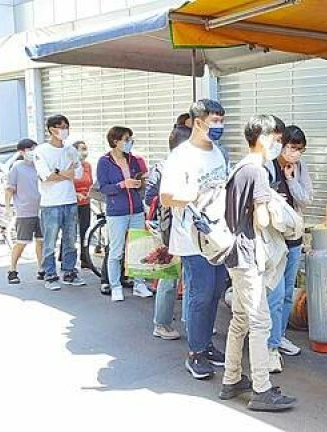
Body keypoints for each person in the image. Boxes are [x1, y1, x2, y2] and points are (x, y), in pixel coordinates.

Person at [221, 114, 297, 411]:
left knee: (240, 319)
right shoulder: (257, 171)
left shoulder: (238, 167)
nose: (278, 145)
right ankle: (261, 390)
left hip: (234, 253)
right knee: (260, 322)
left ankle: (230, 379)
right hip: (249, 254)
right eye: (277, 140)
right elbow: (263, 218)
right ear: (264, 138)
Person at [160, 99, 229, 380]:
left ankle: (206, 345)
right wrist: (191, 194)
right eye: (214, 121)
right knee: (199, 295)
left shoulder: (219, 153)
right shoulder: (181, 156)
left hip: (218, 236)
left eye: (222, 121)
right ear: (197, 122)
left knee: (214, 293)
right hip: (191, 238)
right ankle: (196, 353)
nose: (219, 127)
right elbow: (166, 197)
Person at [264, 125, 314, 371]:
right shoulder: (266, 166)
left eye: (300, 150)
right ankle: (269, 345)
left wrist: (293, 181)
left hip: (293, 238)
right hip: (272, 239)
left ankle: (279, 336)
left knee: (286, 294)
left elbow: (306, 198)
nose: (296, 153)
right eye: (293, 148)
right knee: (273, 293)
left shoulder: (299, 167)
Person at [96, 126, 153, 302]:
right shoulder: (104, 161)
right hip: (117, 212)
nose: (129, 143)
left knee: (138, 248)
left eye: (130, 139)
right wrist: (122, 184)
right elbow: (103, 187)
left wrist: (139, 182)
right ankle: (115, 286)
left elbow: (139, 180)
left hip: (135, 209)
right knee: (116, 250)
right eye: (126, 139)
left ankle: (139, 284)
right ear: (115, 141)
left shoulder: (133, 159)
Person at [33, 114, 85, 290]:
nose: (64, 130)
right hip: (50, 203)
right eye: (60, 127)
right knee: (50, 241)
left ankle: (69, 272)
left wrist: (59, 172)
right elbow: (46, 176)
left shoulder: (70, 150)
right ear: (51, 130)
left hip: (70, 201)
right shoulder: (41, 151)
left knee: (70, 240)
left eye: (66, 126)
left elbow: (77, 174)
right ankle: (50, 274)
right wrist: (65, 173)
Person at [144, 134, 182, 341]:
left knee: (186, 279)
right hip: (170, 230)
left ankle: (190, 320)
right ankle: (162, 323)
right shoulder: (163, 167)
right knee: (169, 278)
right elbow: (150, 197)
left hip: (179, 229)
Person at [5, 139, 44, 284]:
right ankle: (12, 270)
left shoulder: (39, 166)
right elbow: (9, 189)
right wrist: (8, 207)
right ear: (21, 152)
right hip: (25, 210)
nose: (33, 152)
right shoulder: (17, 167)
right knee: (21, 242)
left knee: (41, 241)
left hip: (42, 209)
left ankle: (41, 269)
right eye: (30, 149)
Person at [72, 141, 93, 269]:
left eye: (86, 149)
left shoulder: (87, 166)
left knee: (85, 231)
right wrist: (76, 194)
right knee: (70, 232)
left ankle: (85, 258)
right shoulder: (71, 166)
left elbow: (91, 182)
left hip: (85, 201)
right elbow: (66, 184)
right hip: (72, 202)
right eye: (82, 149)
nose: (84, 152)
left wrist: (90, 193)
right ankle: (66, 259)